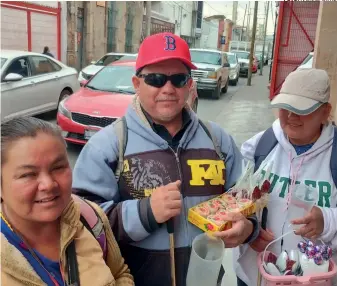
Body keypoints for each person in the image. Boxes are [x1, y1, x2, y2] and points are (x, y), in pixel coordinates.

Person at [72, 32, 260, 286]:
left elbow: (246, 197)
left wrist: (247, 227)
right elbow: (83, 223)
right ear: (136, 84)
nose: (168, 89)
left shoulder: (218, 141)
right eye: (156, 79)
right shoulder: (108, 146)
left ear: (189, 84)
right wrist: (145, 212)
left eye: (178, 79)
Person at [234, 68, 337, 286]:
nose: (291, 116)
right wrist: (249, 230)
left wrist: (327, 220)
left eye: (302, 109)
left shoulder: (334, 155)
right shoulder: (259, 146)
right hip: (256, 277)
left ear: (325, 112)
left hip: (314, 280)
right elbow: (233, 198)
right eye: (286, 107)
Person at [1, 117, 134, 286]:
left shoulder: (89, 218)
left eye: (58, 168)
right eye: (28, 174)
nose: (48, 184)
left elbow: (120, 273)